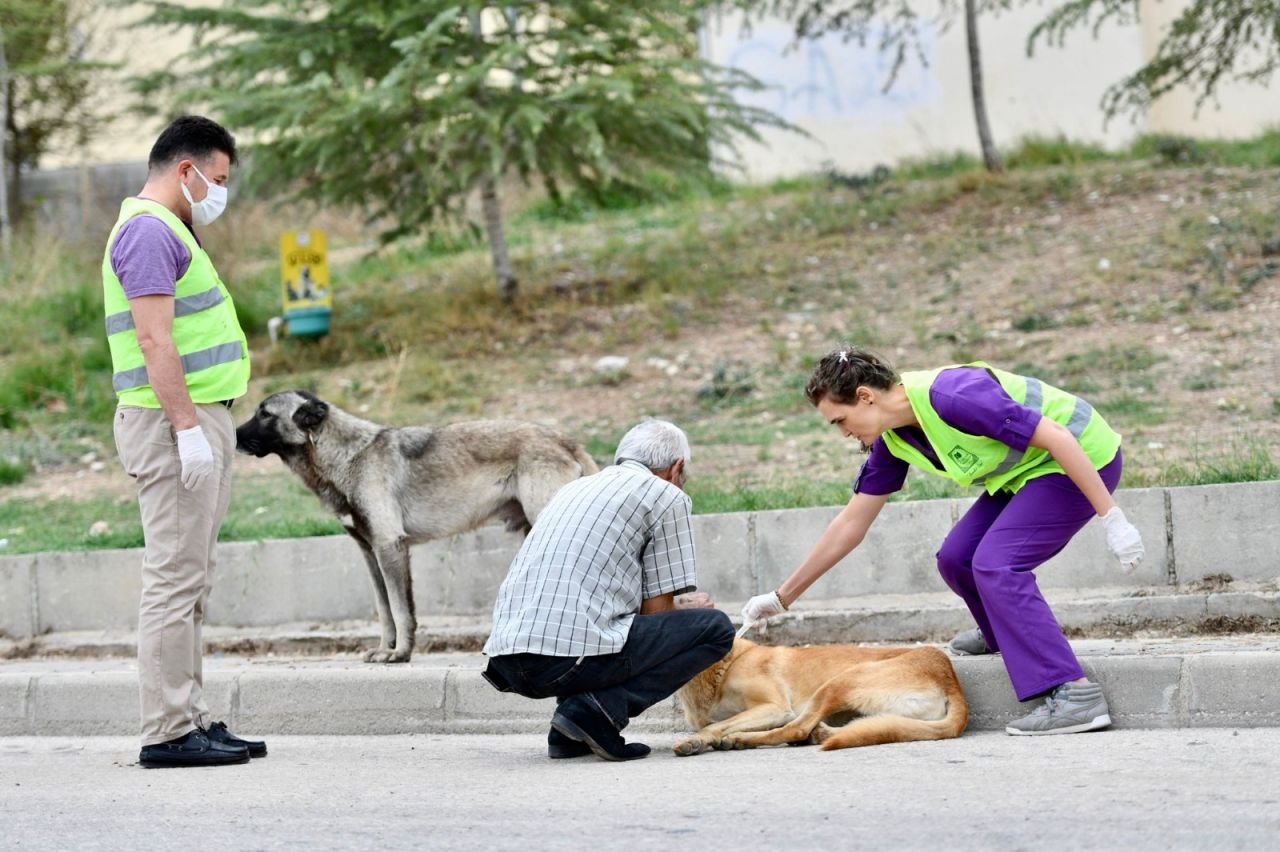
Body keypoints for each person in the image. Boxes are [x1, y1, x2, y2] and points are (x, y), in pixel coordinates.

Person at [741, 347, 1145, 736]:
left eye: (839, 420)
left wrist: (1113, 518)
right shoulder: (894, 437)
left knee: (996, 564)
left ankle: (1075, 694)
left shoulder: (954, 396)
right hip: (1026, 473)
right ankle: (1002, 630)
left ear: (864, 397)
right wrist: (781, 598)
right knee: (957, 559)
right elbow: (851, 522)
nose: (844, 433)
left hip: (1080, 458)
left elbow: (1057, 436)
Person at [104, 116, 265, 767]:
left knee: (192, 577)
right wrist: (189, 432)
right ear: (185, 170)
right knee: (173, 579)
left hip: (196, 419)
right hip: (173, 423)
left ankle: (189, 715)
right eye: (217, 179)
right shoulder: (147, 230)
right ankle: (167, 730)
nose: (220, 192)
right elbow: (154, 341)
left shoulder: (172, 228)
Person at [482, 420, 735, 761]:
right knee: (714, 629)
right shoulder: (666, 495)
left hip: (508, 659)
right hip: (563, 659)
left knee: (601, 630)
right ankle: (597, 712)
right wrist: (690, 611)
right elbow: (657, 615)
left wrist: (676, 608)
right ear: (676, 468)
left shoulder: (573, 490)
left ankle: (566, 734)